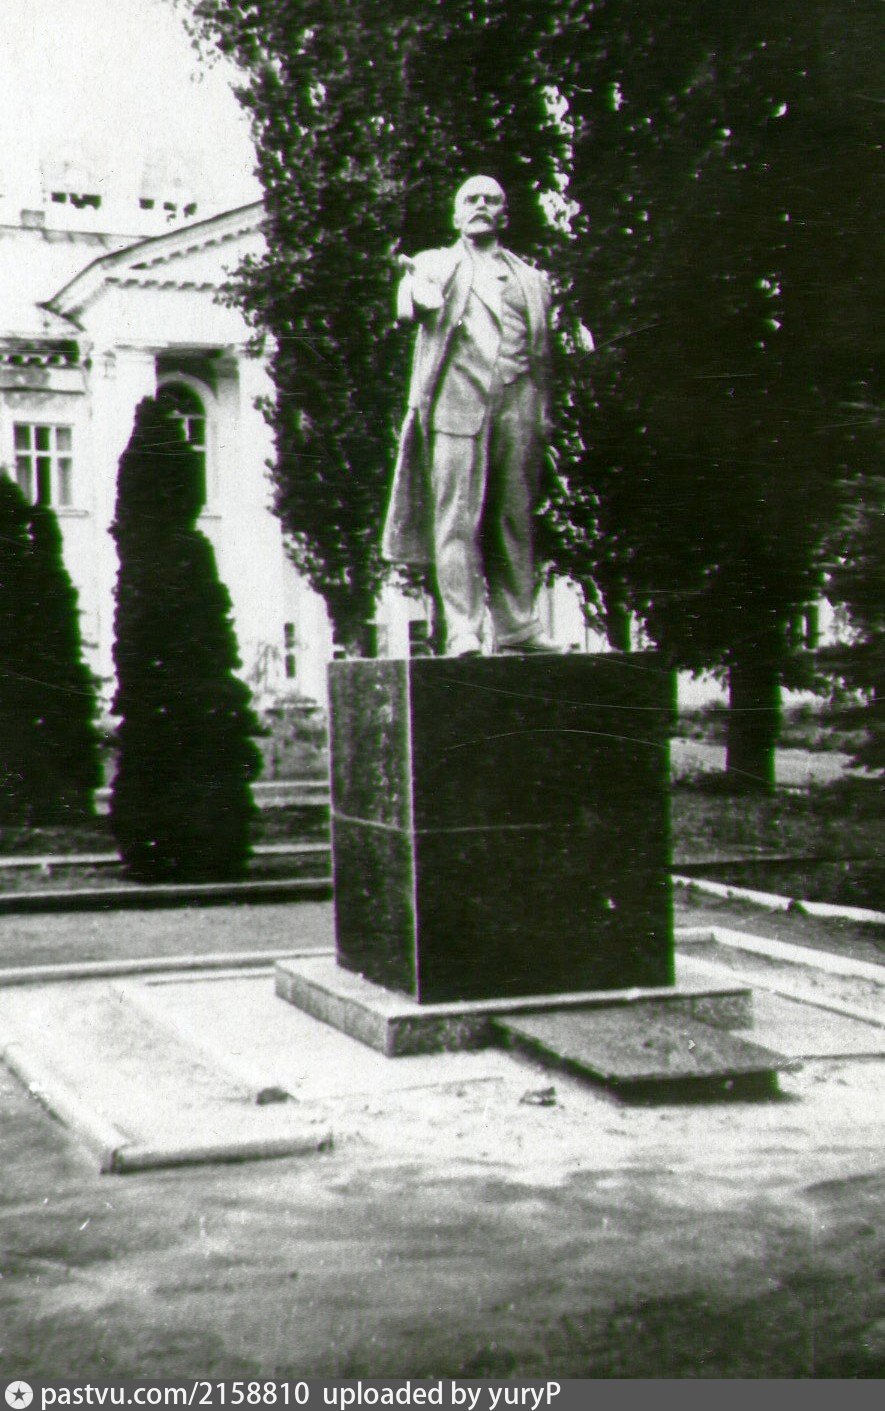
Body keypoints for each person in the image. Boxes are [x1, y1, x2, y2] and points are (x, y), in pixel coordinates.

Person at [381, 175, 560, 657]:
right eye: (470, 199)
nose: (481, 205)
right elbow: (411, 303)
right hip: (457, 405)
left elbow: (543, 356)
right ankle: (463, 628)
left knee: (513, 518)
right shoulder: (435, 263)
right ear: (456, 215)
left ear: (505, 215)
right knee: (456, 519)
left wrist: (542, 413)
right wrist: (416, 290)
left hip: (517, 406)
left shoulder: (532, 280)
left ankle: (518, 626)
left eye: (491, 199)